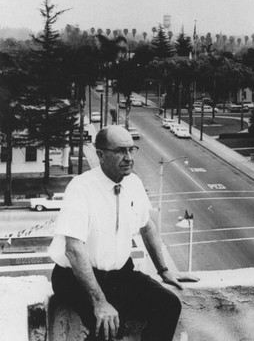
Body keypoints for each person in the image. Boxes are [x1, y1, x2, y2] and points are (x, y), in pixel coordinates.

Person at [49, 125, 182, 341]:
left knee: (169, 304)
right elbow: (73, 249)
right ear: (100, 154)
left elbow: (146, 226)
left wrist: (164, 270)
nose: (129, 157)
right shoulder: (81, 188)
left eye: (132, 149)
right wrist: (99, 302)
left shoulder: (134, 183)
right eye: (120, 151)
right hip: (75, 278)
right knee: (109, 328)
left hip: (120, 276)